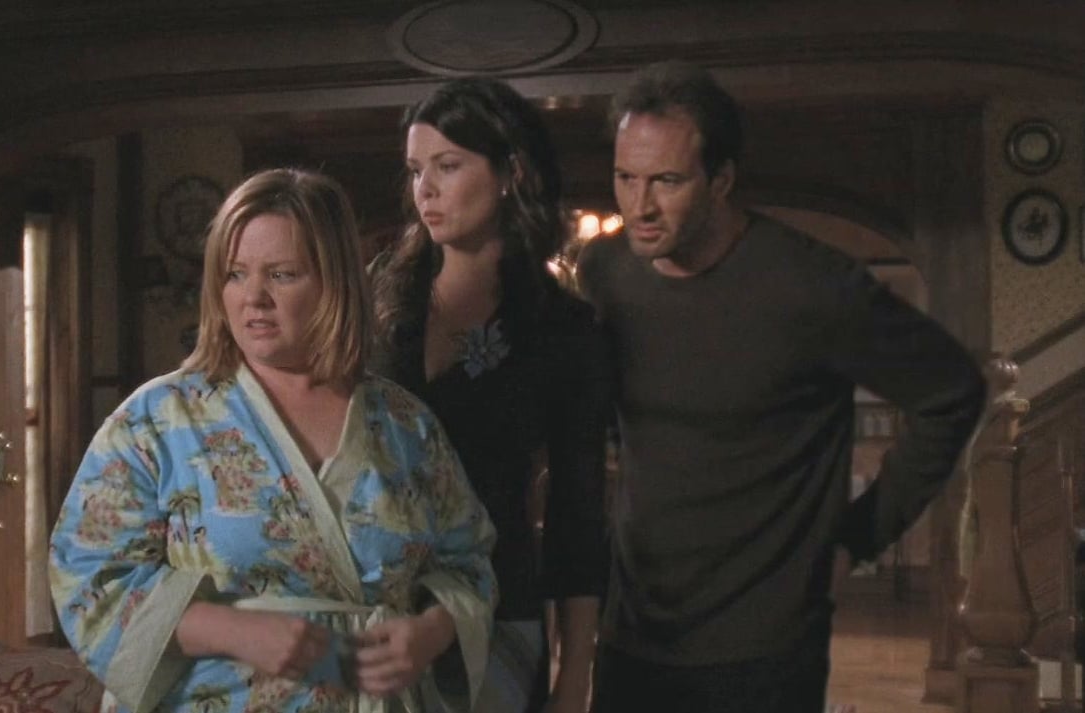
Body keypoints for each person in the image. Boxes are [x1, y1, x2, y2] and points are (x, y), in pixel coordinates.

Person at [576, 61, 987, 713]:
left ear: (721, 180)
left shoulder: (814, 288)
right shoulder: (606, 270)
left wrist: (856, 539)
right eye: (626, 178)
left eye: (667, 181)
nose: (639, 205)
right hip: (636, 631)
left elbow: (953, 391)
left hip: (764, 644)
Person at [50, 168, 497, 713]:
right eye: (235, 274)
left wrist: (431, 631)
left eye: (282, 275)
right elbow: (86, 575)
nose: (254, 298)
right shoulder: (157, 422)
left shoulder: (406, 426)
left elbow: (468, 561)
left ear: (334, 282)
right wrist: (230, 629)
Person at [370, 78, 611, 713]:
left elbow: (578, 513)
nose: (425, 189)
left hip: (499, 610)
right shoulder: (380, 299)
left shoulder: (562, 330)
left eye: (447, 166)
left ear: (511, 172)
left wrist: (574, 676)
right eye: (416, 170)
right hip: (375, 611)